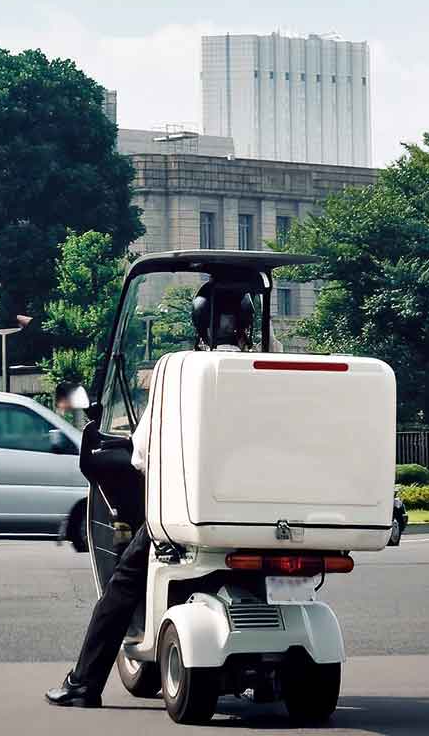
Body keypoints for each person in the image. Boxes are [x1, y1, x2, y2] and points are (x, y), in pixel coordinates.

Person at [45, 283, 255, 708]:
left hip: (190, 516)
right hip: (270, 518)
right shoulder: (268, 371)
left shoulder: (181, 373)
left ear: (199, 326)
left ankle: (84, 684)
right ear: (248, 325)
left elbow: (140, 455)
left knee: (123, 582)